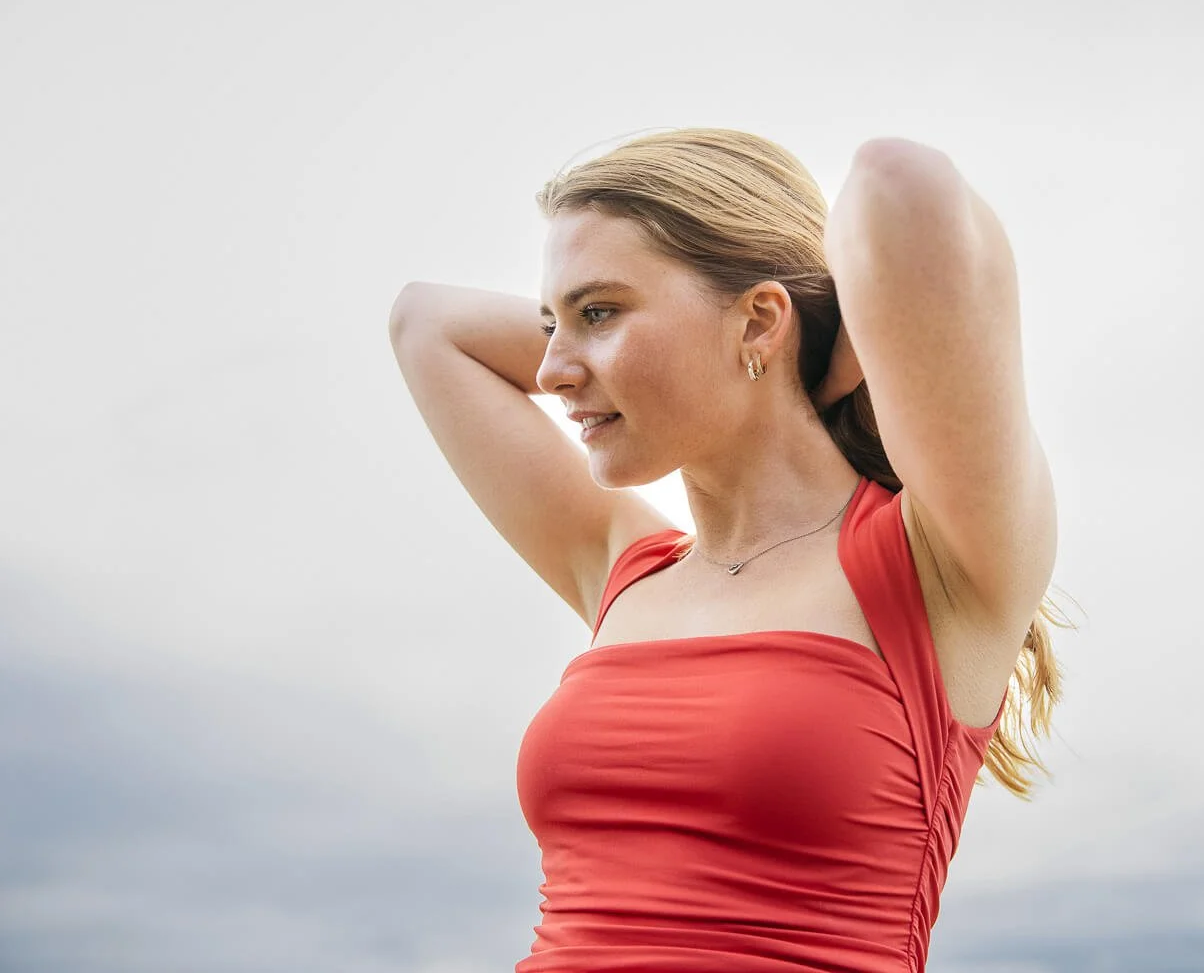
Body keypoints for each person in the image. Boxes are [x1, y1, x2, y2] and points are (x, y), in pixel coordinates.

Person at [388, 128, 1074, 972]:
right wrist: (636, 346)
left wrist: (828, 342)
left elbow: (904, 186)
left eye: (598, 311)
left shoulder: (935, 567)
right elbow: (423, 320)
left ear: (758, 317)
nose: (554, 370)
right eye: (547, 325)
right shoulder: (627, 571)